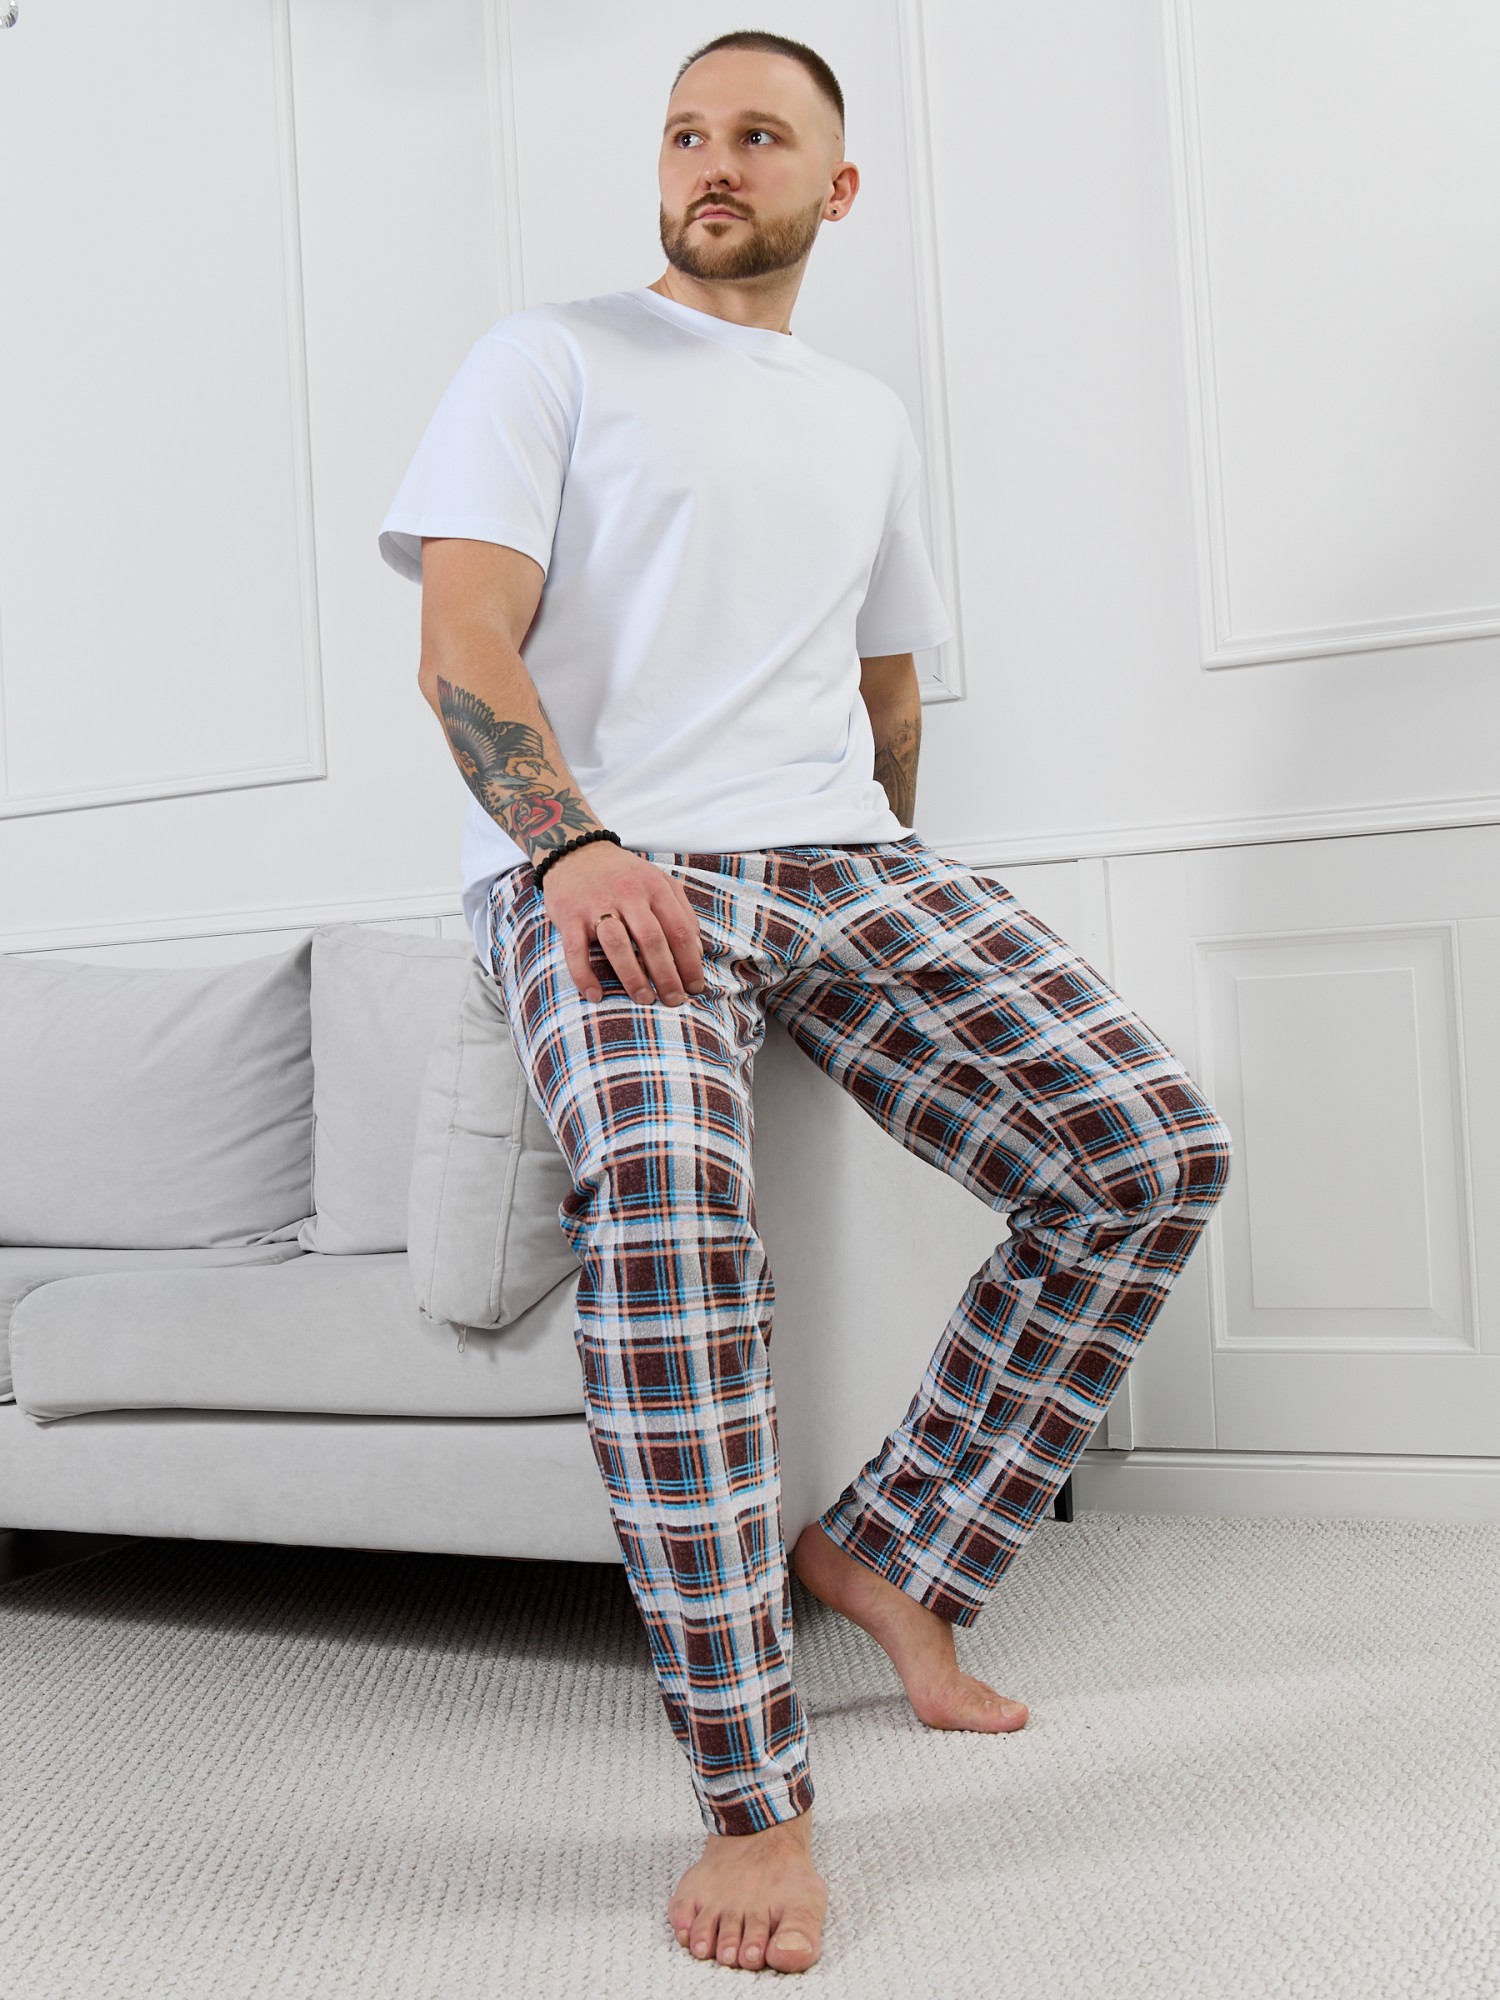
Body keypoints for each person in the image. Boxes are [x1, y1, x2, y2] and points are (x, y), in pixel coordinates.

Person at [378, 29, 1233, 1975]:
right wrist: (574, 849)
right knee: (676, 1230)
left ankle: (901, 1551)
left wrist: (895, 898)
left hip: (844, 861)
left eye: (759, 135)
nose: (713, 159)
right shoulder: (547, 356)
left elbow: (888, 685)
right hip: (609, 858)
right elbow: (461, 637)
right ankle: (755, 1803)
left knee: (1148, 1149)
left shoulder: (862, 417)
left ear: (834, 189)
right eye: (687, 131)